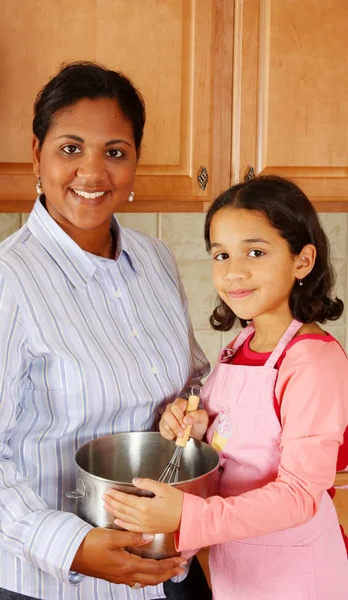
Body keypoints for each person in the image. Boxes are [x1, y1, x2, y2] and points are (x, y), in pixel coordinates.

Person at [0, 62, 212, 600]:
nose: (92, 173)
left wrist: (188, 408)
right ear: (36, 155)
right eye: (71, 148)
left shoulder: (155, 259)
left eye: (115, 152)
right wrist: (73, 546)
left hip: (152, 558)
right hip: (24, 578)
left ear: (135, 160)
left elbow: (192, 379)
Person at [103, 175, 348, 599]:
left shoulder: (313, 361)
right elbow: (240, 440)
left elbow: (300, 496)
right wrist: (198, 425)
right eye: (221, 254)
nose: (234, 272)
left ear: (302, 261)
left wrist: (186, 516)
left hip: (296, 575)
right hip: (239, 566)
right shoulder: (240, 346)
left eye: (255, 252)